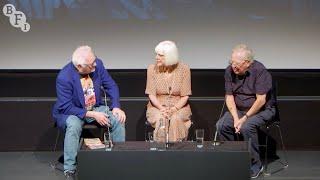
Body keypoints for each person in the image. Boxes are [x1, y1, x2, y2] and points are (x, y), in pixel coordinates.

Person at [52, 45, 126, 179]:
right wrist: (92, 114)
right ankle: (70, 169)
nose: (95, 65)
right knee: (74, 125)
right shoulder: (64, 77)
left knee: (117, 119)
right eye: (91, 65)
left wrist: (116, 106)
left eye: (95, 61)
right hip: (71, 111)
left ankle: (118, 161)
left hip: (94, 107)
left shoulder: (98, 65)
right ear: (79, 66)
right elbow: (66, 106)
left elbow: (111, 85)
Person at [216, 44, 276, 179]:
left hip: (262, 110)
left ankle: (255, 165)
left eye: (236, 64)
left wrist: (244, 119)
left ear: (247, 63)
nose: (233, 66)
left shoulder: (260, 71)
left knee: (247, 127)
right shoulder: (229, 71)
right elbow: (229, 96)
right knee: (222, 125)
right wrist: (236, 118)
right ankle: (232, 160)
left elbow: (261, 100)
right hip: (239, 110)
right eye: (231, 62)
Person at [145, 40, 192, 142]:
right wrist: (162, 108)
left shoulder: (184, 69)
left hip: (179, 106)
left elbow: (185, 96)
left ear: (170, 56)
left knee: (175, 119)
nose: (156, 57)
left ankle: (176, 150)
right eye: (156, 54)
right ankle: (161, 150)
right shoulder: (152, 69)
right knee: (162, 119)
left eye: (160, 55)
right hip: (157, 106)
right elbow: (151, 94)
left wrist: (174, 109)